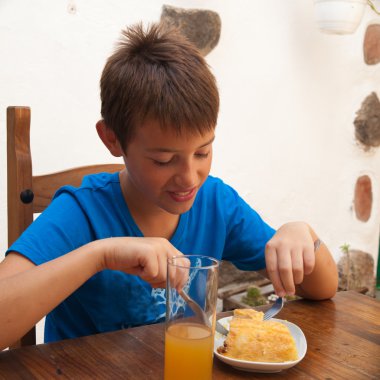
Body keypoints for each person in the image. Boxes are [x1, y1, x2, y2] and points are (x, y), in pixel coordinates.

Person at [0, 23, 338, 350]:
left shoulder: (216, 204)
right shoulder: (82, 212)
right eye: (163, 160)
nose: (190, 177)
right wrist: (100, 255)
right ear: (112, 139)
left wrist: (304, 234)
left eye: (203, 152)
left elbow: (323, 288)